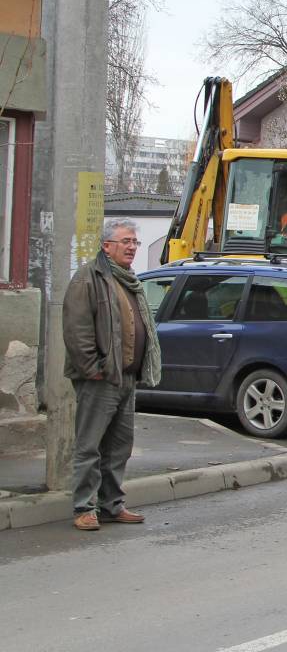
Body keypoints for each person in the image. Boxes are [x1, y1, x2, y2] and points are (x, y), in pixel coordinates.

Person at [63, 219, 161, 531]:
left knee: (119, 446)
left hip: (126, 379)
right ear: (107, 246)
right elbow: (77, 330)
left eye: (135, 242)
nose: (132, 247)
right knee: (89, 446)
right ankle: (84, 507)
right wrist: (92, 369)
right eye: (126, 242)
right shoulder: (88, 279)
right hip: (100, 379)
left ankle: (111, 504)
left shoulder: (128, 280)